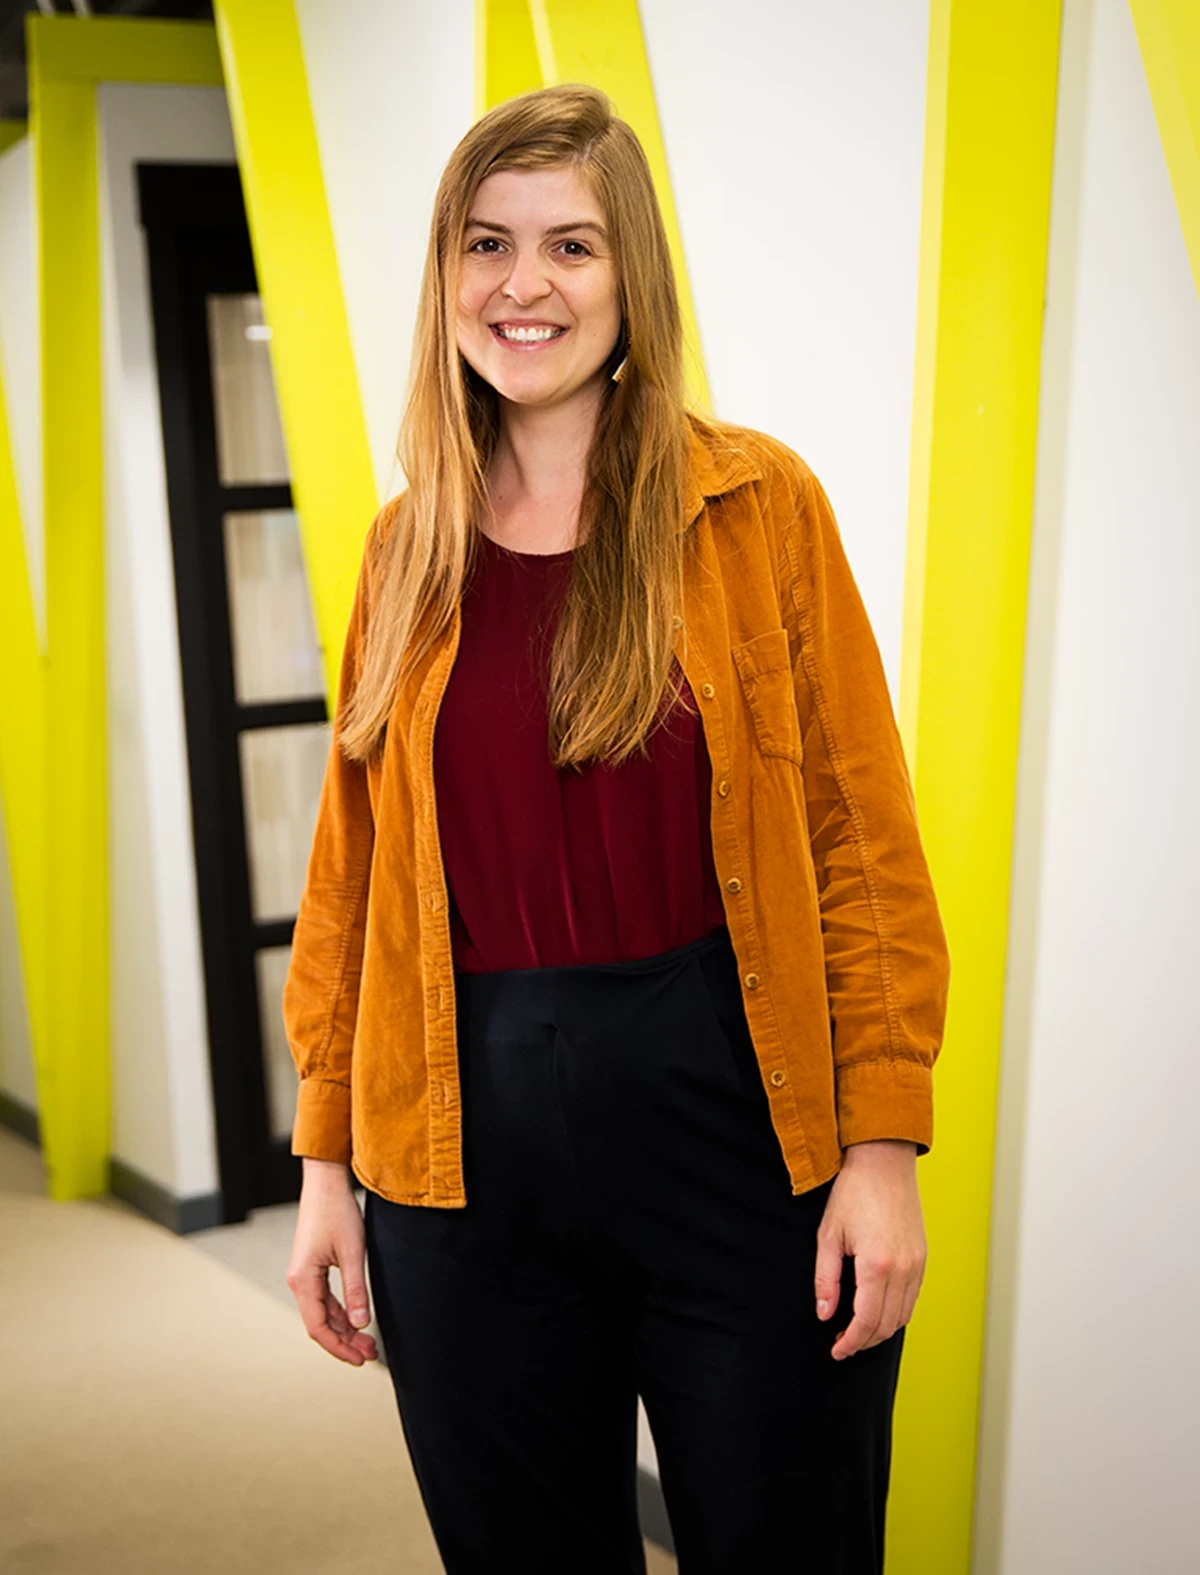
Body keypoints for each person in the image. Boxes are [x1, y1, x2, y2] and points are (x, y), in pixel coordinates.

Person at [282, 83, 950, 1575]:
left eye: (571, 246)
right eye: (487, 242)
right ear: (445, 277)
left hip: (733, 1122)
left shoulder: (756, 507)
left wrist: (882, 1143)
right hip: (457, 1149)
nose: (525, 285)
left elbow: (860, 838)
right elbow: (355, 881)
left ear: (630, 278)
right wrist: (328, 1168)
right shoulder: (406, 549)